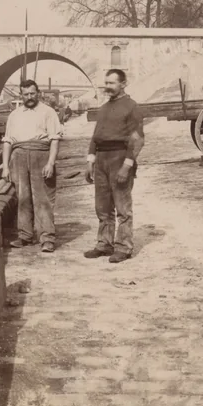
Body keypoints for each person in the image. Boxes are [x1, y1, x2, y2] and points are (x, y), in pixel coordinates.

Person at [84, 68, 145, 263]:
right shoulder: (103, 108)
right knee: (102, 207)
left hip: (120, 158)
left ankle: (124, 247)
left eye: (111, 83)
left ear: (123, 84)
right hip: (101, 159)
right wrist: (90, 161)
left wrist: (126, 167)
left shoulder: (132, 107)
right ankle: (104, 244)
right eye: (106, 83)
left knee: (122, 207)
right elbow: (95, 136)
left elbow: (137, 140)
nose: (107, 87)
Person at [2, 79, 63, 253]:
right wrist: (5, 167)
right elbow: (7, 142)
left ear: (38, 93)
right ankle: (25, 235)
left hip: (40, 155)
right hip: (19, 156)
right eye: (26, 94)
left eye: (32, 93)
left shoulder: (48, 112)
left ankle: (47, 238)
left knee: (43, 198)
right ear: (21, 95)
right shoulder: (14, 115)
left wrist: (51, 162)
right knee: (22, 197)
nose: (29, 97)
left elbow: (54, 139)